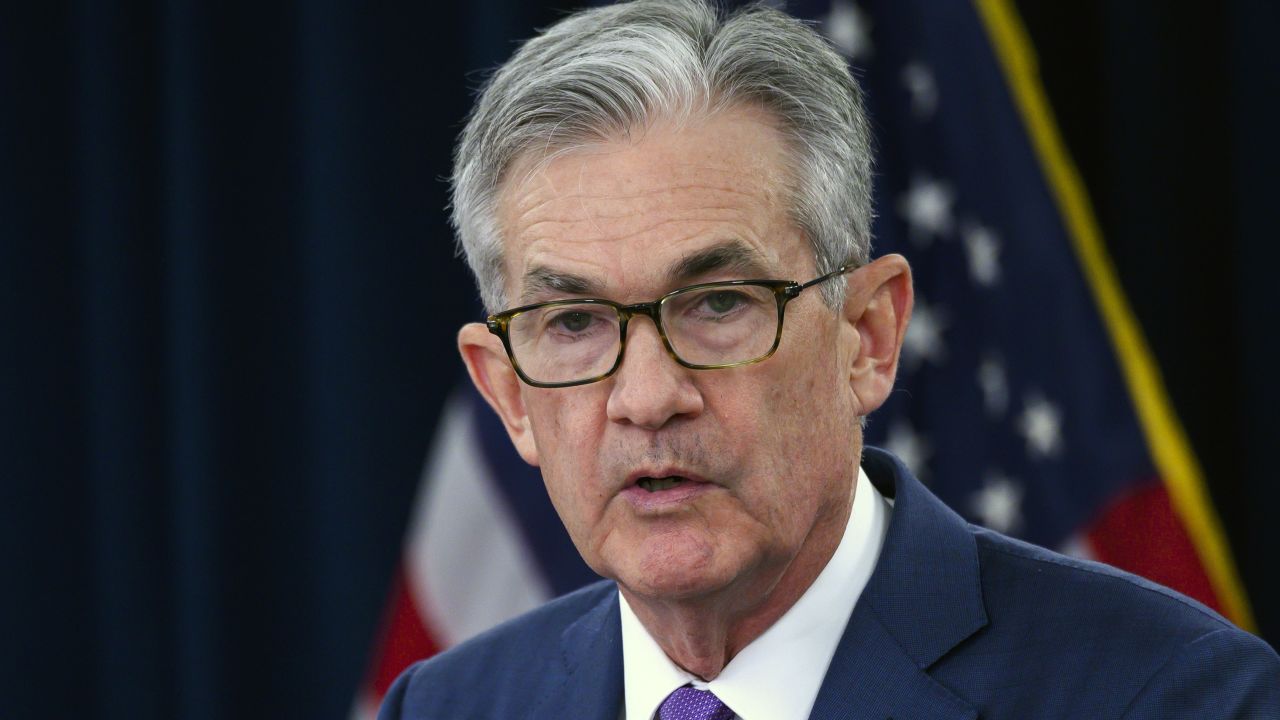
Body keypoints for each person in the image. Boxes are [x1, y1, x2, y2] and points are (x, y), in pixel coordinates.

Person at [380, 1, 1280, 717]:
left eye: (719, 304)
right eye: (573, 322)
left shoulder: (1170, 695)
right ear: (507, 396)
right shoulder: (449, 705)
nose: (647, 398)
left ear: (869, 337)